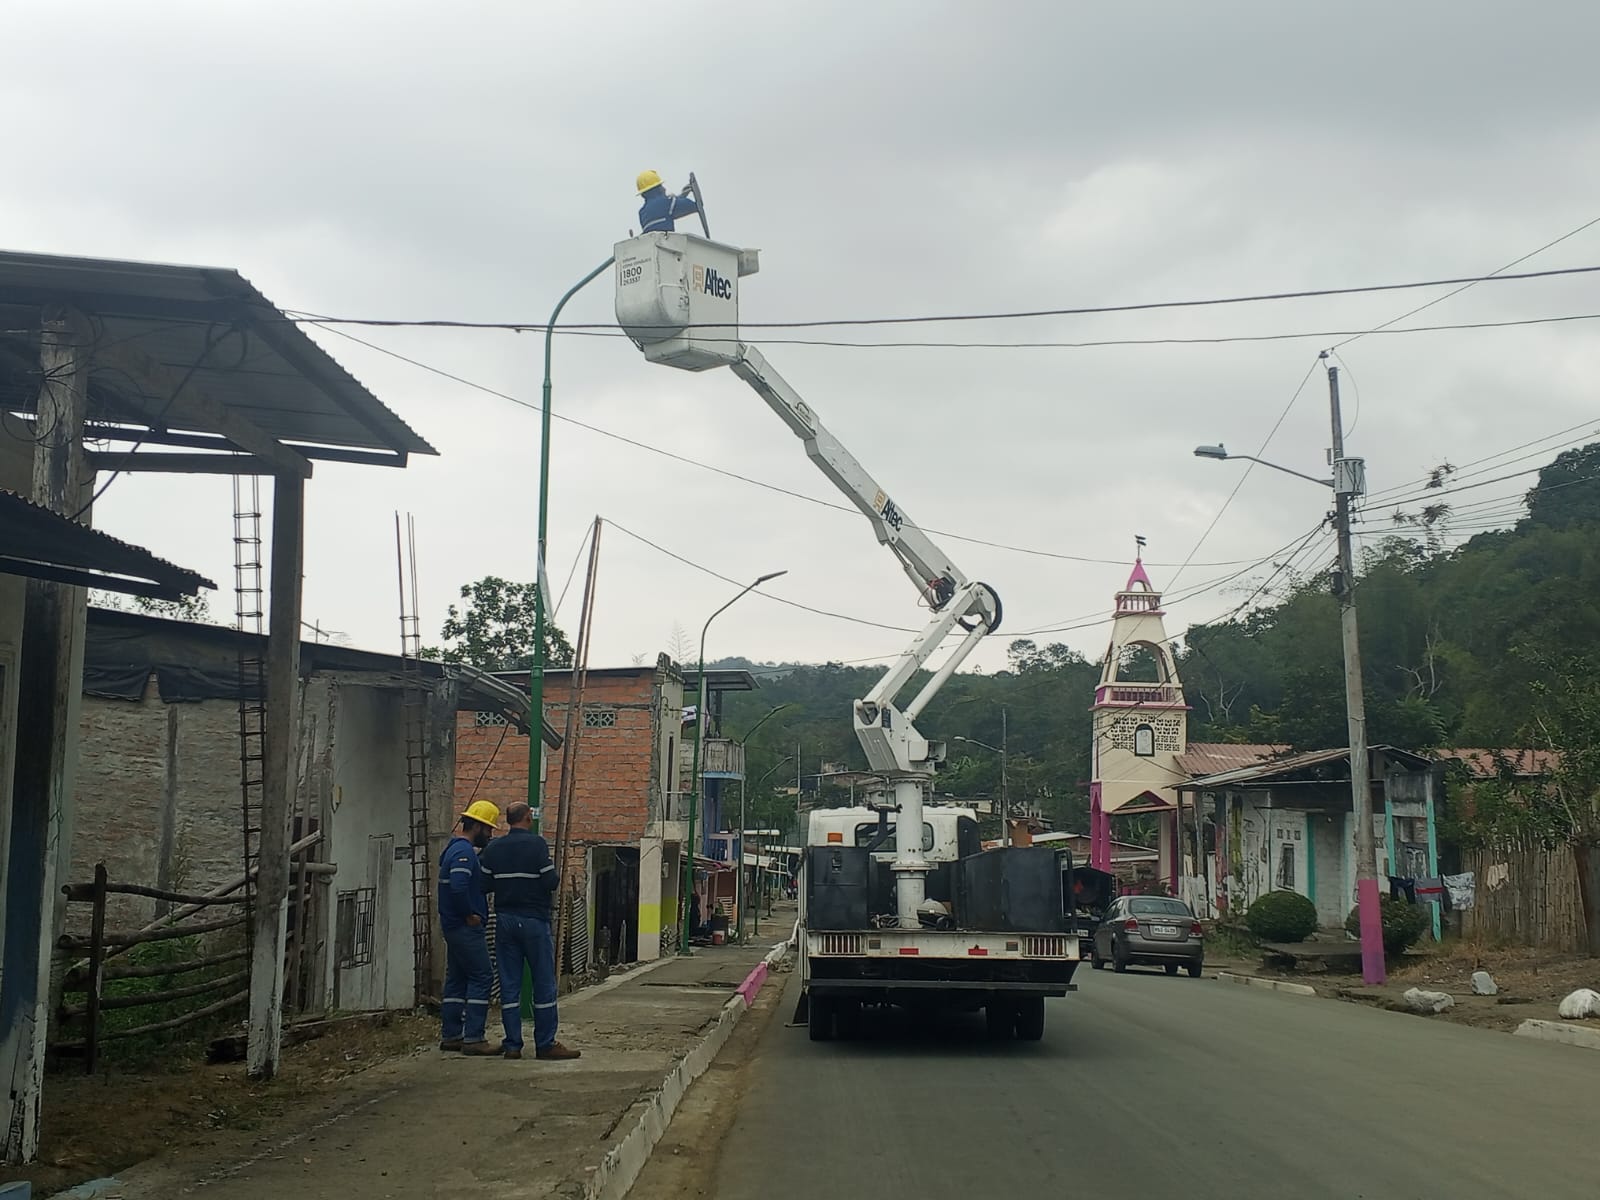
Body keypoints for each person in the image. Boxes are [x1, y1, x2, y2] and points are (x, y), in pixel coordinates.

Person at [479, 801, 580, 1061]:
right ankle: (545, 1043)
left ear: (508, 820)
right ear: (527, 818)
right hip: (534, 919)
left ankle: (513, 1044)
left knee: (509, 984)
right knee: (543, 982)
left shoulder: (494, 848)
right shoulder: (536, 845)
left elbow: (484, 883)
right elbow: (551, 881)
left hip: (505, 920)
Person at [438, 800, 500, 1056]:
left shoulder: (453, 849)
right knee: (482, 976)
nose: (490, 835)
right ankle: (474, 1037)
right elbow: (459, 886)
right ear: (477, 826)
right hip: (464, 927)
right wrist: (469, 914)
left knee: (457, 979)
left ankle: (452, 1035)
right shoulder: (463, 853)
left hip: (452, 927)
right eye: (488, 829)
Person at [636, 169, 699, 234]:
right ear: (657, 189)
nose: (664, 189)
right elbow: (692, 206)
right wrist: (697, 203)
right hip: (666, 239)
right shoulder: (666, 203)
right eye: (661, 186)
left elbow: (660, 211)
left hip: (653, 240)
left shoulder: (642, 213)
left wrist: (681, 196)